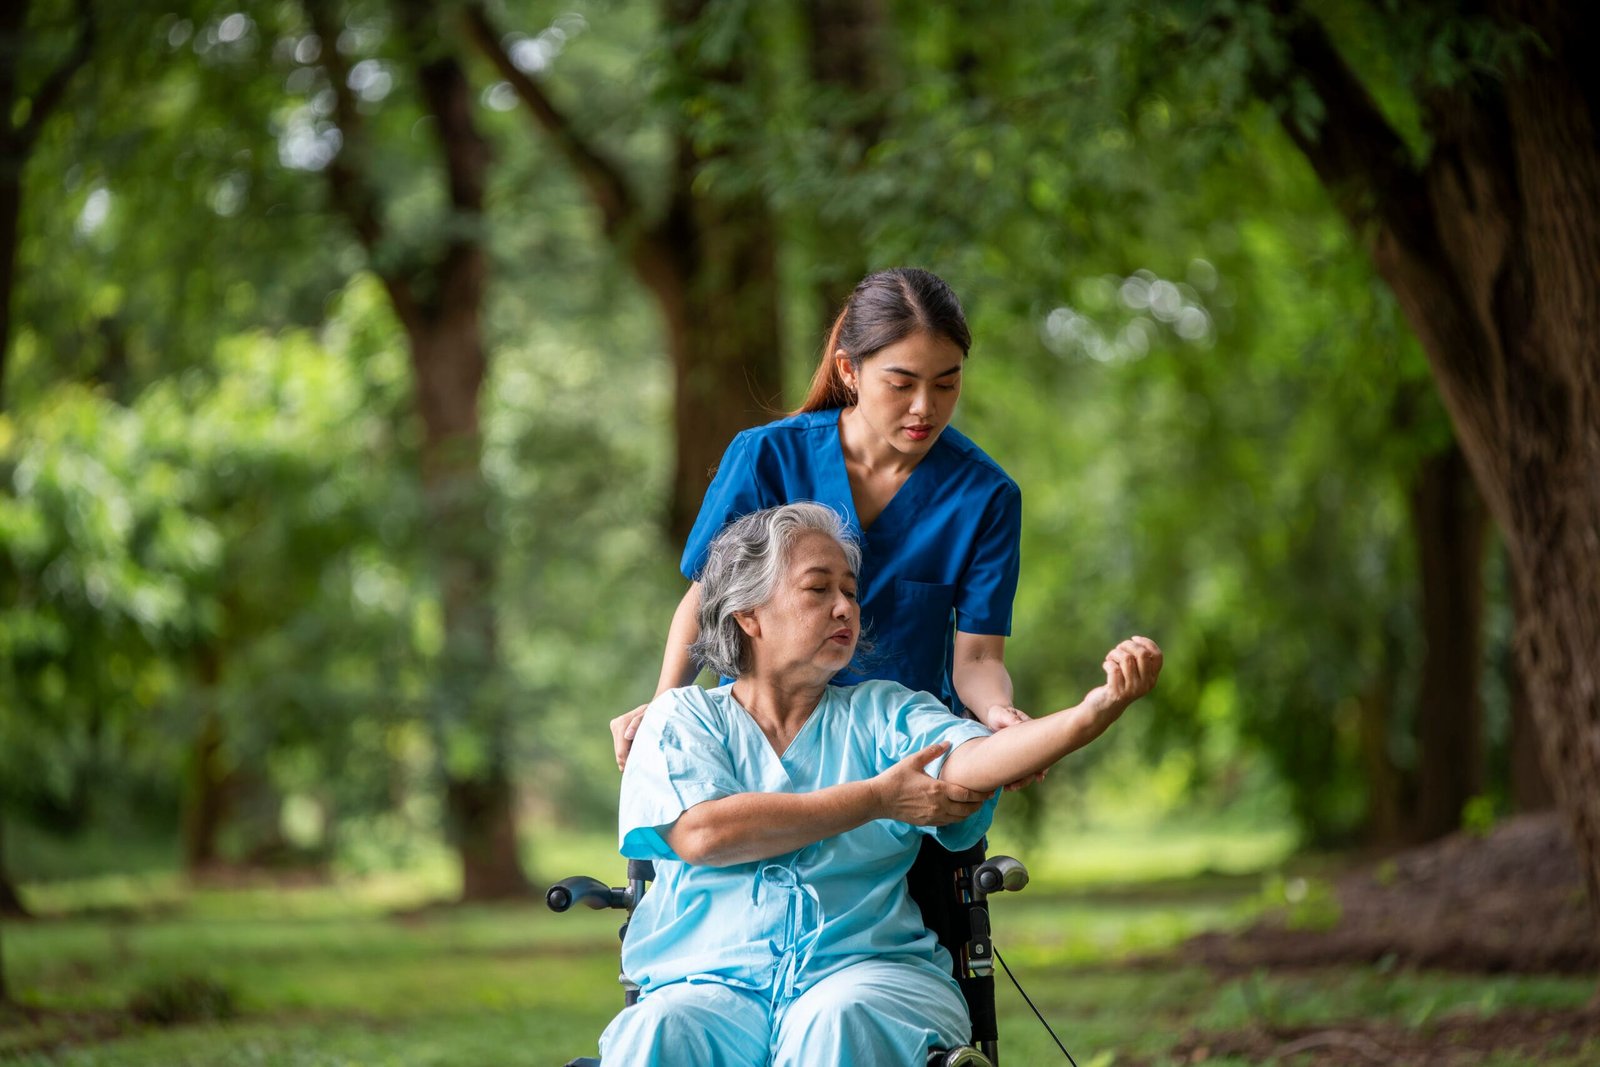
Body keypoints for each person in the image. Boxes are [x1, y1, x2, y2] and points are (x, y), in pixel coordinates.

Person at [599, 503, 1161, 1065]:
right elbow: (705, 834)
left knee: (838, 1019)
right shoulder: (680, 720)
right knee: (659, 1030)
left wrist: (1091, 713)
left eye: (850, 591)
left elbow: (973, 759)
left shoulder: (882, 713)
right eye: (818, 590)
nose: (845, 607)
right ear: (749, 615)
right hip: (707, 985)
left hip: (865, 973)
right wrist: (877, 798)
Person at [612, 267, 1030, 770]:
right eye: (901, 384)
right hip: (760, 747)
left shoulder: (986, 496)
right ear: (849, 371)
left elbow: (980, 658)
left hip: (899, 753)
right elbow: (708, 599)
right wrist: (664, 709)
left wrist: (999, 715)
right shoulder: (766, 458)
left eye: (946, 383)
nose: (925, 408)